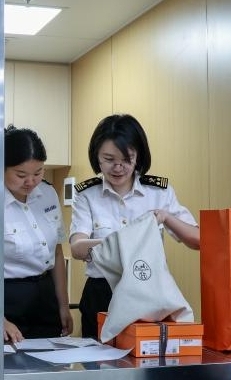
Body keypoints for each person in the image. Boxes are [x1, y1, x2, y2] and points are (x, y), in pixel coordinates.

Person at [70, 113, 200, 339]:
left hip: (148, 291)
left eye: (127, 159)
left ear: (138, 156)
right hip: (101, 292)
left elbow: (198, 240)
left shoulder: (158, 192)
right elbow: (77, 248)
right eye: (109, 159)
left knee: (145, 357)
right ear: (97, 156)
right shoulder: (87, 194)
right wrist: (124, 243)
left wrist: (166, 217)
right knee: (96, 359)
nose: (118, 167)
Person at [4, 125, 73, 339]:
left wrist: (63, 305)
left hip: (45, 296)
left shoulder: (48, 193)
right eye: (21, 175)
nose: (31, 182)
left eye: (38, 172)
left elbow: (57, 252)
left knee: (50, 356)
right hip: (8, 299)